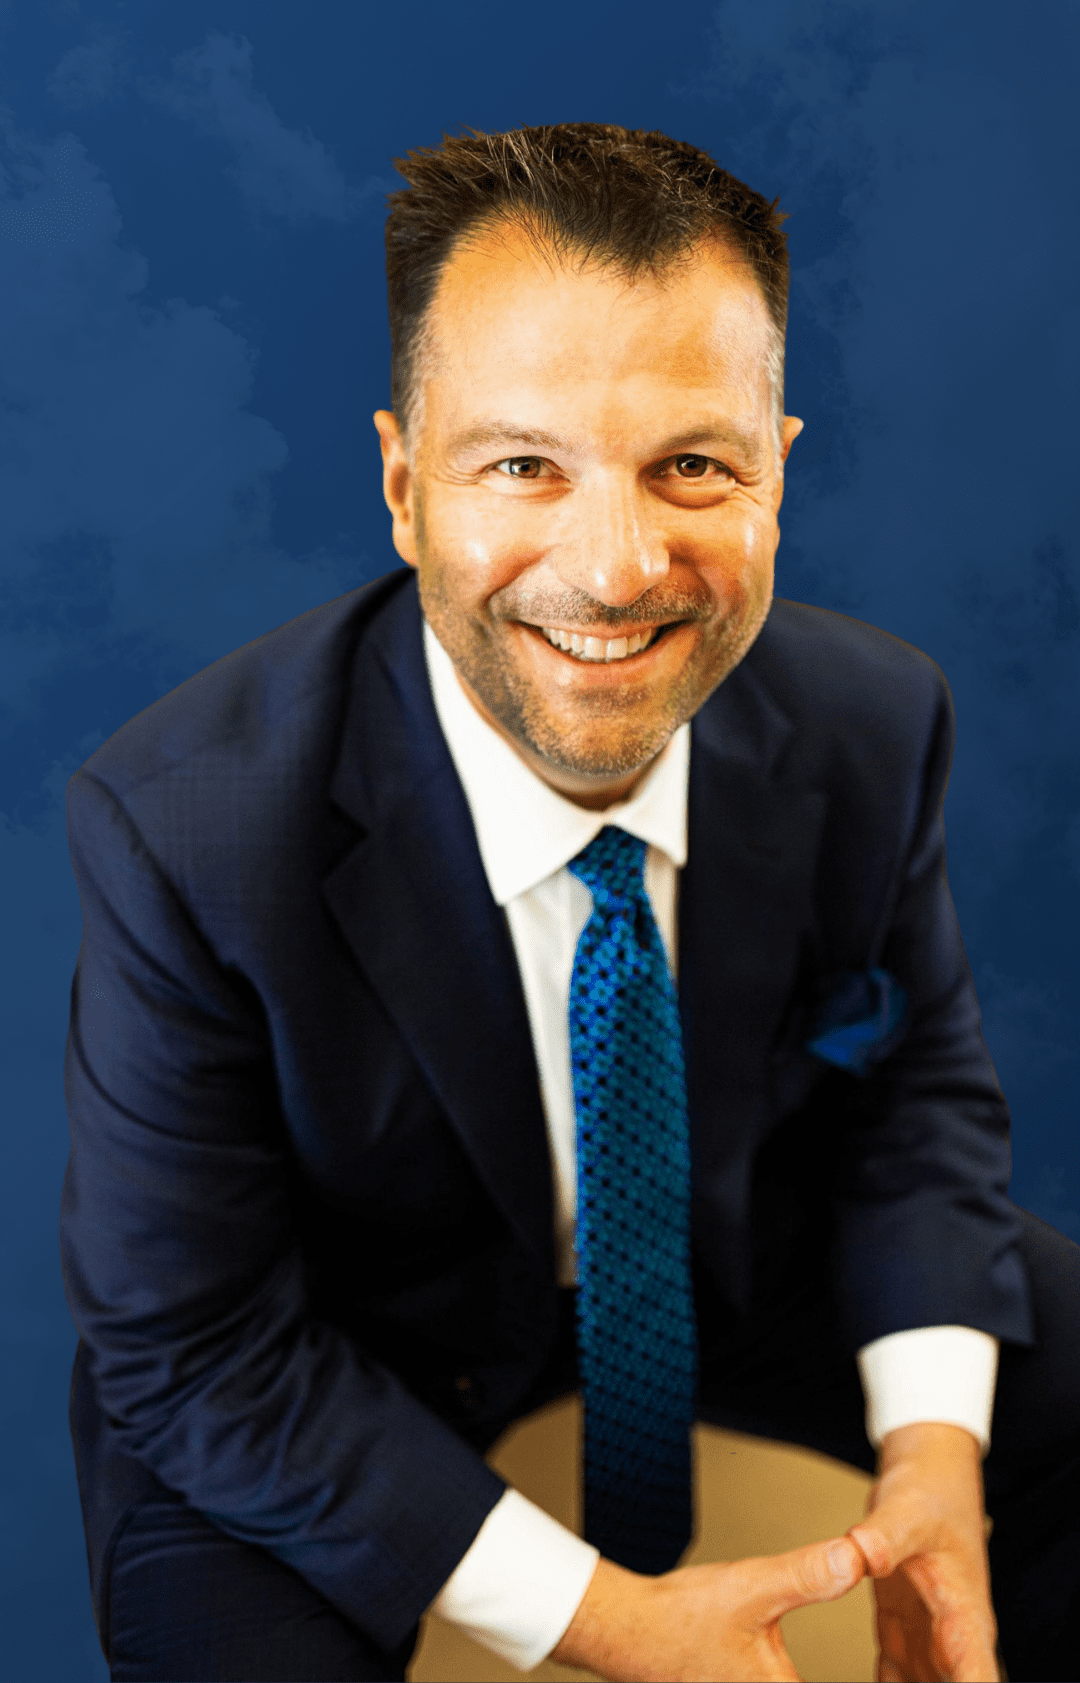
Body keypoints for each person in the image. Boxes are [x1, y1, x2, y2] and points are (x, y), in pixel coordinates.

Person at [60, 122, 1078, 1683]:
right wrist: (612, 1619)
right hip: (330, 1354)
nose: (613, 569)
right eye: (523, 465)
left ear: (779, 472)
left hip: (729, 1258)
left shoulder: (878, 722)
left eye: (692, 464)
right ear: (405, 488)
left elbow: (917, 1105)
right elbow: (191, 1346)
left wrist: (938, 1462)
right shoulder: (184, 825)